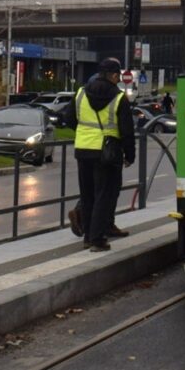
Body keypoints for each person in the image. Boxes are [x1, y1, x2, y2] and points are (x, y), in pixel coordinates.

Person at [67, 58, 136, 252]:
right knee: (103, 196)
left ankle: (88, 237)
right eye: (118, 76)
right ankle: (97, 239)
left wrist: (84, 132)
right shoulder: (119, 97)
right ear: (113, 75)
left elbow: (68, 118)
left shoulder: (80, 93)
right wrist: (129, 154)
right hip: (107, 152)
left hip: (82, 150)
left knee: (87, 195)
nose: (119, 80)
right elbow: (127, 130)